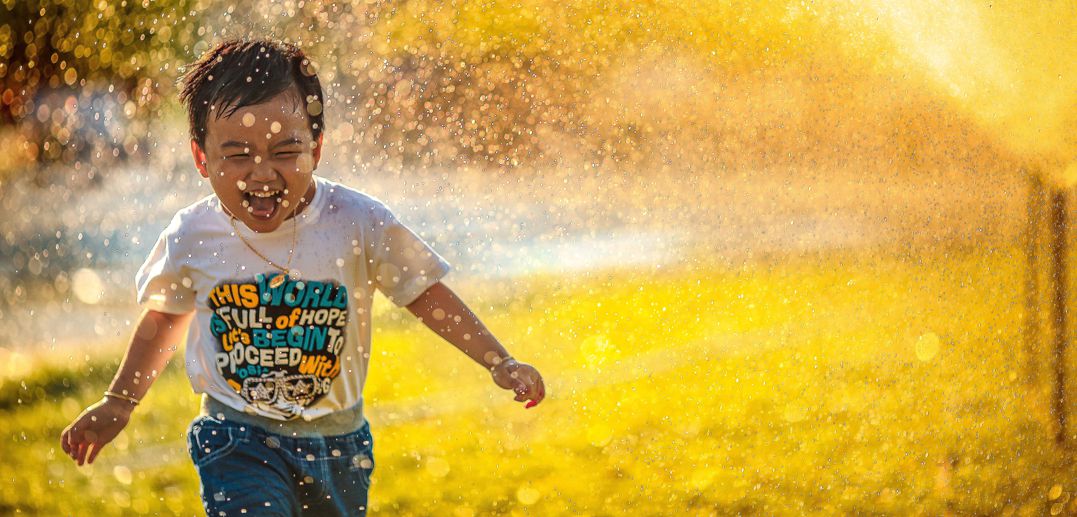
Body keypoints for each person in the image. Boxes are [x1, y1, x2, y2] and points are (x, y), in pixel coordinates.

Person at [59, 37, 546, 516]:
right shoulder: (194, 234)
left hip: (338, 444)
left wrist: (498, 360)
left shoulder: (357, 221)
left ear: (316, 147)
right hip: (236, 436)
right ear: (201, 158)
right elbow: (165, 319)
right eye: (238, 154)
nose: (262, 172)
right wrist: (120, 401)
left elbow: (424, 293)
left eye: (285, 151)